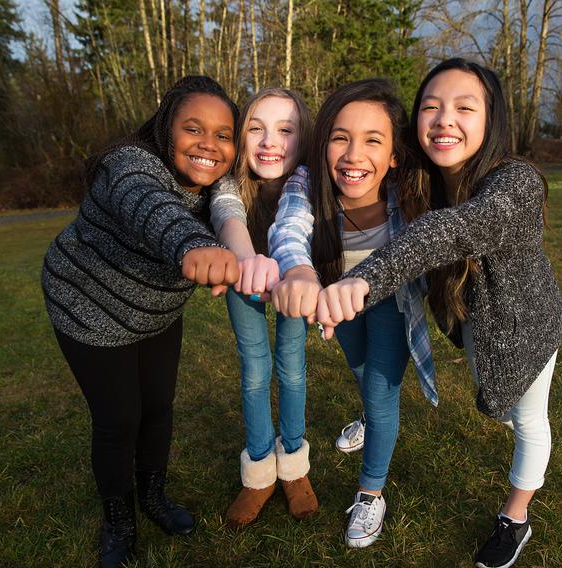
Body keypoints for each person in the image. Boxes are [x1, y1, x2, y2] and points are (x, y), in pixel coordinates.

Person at [315, 59, 562, 568]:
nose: (445, 119)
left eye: (464, 108)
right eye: (431, 107)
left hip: (527, 326)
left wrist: (363, 279)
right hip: (473, 323)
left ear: (490, 119)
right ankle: (370, 417)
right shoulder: (422, 182)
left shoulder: (517, 183)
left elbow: (448, 232)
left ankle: (514, 520)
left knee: (527, 422)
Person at [42, 76, 240, 568]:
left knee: (157, 406)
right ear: (164, 127)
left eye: (223, 134)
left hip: (154, 313)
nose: (209, 145)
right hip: (87, 303)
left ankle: (153, 496)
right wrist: (193, 246)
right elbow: (153, 207)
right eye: (193, 128)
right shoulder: (128, 164)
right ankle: (118, 518)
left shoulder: (220, 187)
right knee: (119, 418)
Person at [268, 79, 437, 548]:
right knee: (360, 370)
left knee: (383, 395)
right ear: (323, 143)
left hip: (393, 303)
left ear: (395, 155)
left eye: (372, 140)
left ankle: (371, 491)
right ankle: (367, 415)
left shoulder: (407, 194)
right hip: (335, 304)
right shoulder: (308, 183)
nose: (353, 154)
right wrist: (299, 271)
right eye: (340, 137)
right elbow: (289, 227)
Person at [207, 88, 318, 528]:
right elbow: (226, 213)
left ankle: (293, 464)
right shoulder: (230, 182)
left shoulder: (306, 182)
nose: (270, 141)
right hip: (242, 278)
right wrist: (246, 261)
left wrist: (293, 273)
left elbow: (298, 224)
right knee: (254, 369)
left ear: (303, 139)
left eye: (285, 130)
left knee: (291, 366)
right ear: (241, 137)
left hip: (293, 281)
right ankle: (258, 473)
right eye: (257, 128)